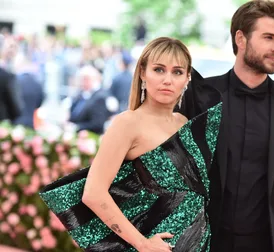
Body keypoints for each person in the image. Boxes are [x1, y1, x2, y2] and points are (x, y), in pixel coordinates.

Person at [40, 37, 222, 251]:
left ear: (187, 78)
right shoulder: (127, 123)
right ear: (143, 73)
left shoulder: (185, 123)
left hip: (198, 242)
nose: (168, 80)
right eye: (159, 70)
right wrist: (142, 243)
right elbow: (93, 193)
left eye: (177, 72)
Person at [178, 1, 274, 251]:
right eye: (269, 37)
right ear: (241, 39)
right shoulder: (200, 96)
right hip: (207, 242)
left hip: (269, 244)